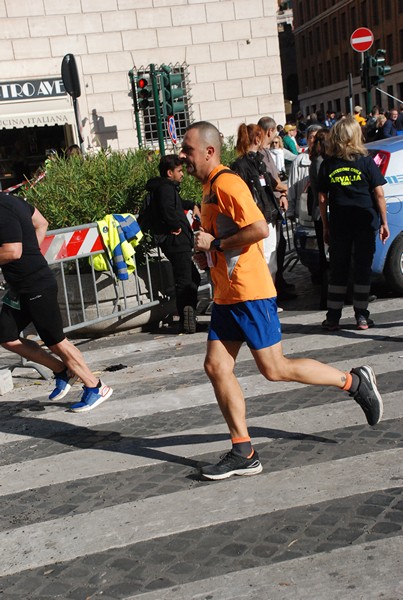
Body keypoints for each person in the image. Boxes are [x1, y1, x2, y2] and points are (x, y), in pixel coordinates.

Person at [179, 120, 384, 481]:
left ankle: (354, 382)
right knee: (216, 367)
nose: (183, 156)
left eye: (188, 150)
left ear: (209, 152)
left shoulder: (227, 183)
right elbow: (222, 237)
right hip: (228, 295)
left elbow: (258, 228)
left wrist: (217, 245)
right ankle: (243, 450)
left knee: (275, 369)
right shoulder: (210, 189)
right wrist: (207, 252)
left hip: (249, 292)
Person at [0, 192, 112, 413]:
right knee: (5, 335)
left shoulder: (2, 208)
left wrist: (27, 254)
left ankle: (95, 386)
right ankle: (62, 370)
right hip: (21, 287)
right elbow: (41, 223)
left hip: (35, 284)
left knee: (56, 340)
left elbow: (13, 251)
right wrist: (33, 251)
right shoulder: (14, 200)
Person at [318, 116, 390, 331]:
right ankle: (361, 316)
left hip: (340, 222)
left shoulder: (328, 164)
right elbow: (379, 193)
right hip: (364, 221)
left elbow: (322, 198)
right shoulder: (366, 161)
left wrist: (325, 226)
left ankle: (333, 317)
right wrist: (384, 222)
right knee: (362, 269)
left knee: (338, 269)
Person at [145, 154, 201, 334]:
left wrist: (192, 204)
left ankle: (188, 316)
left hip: (176, 241)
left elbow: (175, 205)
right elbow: (168, 209)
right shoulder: (166, 189)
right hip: (177, 242)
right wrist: (174, 226)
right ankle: (187, 319)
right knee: (186, 280)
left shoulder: (166, 188)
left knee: (191, 278)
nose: (182, 174)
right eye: (179, 171)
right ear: (170, 172)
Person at [230, 123, 282, 287]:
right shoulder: (241, 165)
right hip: (258, 217)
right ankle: (265, 298)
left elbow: (269, 184)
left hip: (268, 214)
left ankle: (270, 298)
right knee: (264, 259)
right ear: (257, 138)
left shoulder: (258, 161)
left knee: (270, 258)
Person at [258, 116, 296, 300]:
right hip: (268, 210)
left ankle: (278, 283)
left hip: (274, 206)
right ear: (270, 131)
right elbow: (270, 181)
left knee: (279, 248)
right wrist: (282, 189)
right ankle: (273, 292)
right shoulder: (260, 154)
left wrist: (282, 193)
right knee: (271, 254)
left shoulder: (265, 152)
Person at [308, 129, 330, 308]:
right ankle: (326, 298)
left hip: (321, 211)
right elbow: (321, 193)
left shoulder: (319, 160)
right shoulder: (319, 161)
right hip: (321, 212)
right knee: (327, 256)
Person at [287, 124, 323, 219]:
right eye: (311, 137)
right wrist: (290, 211)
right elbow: (291, 187)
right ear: (307, 140)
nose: (313, 140)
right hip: (304, 211)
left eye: (316, 137)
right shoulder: (299, 161)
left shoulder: (328, 159)